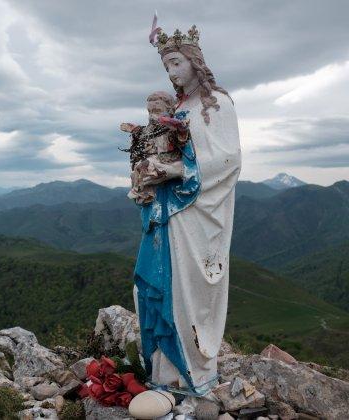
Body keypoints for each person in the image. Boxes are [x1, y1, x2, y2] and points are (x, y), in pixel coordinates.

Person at [132, 24, 242, 402]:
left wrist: (178, 170)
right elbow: (167, 151)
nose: (171, 72)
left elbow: (229, 159)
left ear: (195, 62)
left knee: (188, 292)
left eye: (176, 62)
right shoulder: (177, 108)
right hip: (166, 211)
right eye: (166, 66)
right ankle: (163, 373)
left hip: (196, 213)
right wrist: (148, 171)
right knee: (159, 287)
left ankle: (193, 374)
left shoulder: (217, 104)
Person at [119, 91, 189, 205]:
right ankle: (144, 196)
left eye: (157, 111)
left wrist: (180, 129)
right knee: (136, 174)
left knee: (146, 168)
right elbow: (142, 137)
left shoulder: (170, 128)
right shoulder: (149, 130)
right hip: (152, 163)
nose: (152, 115)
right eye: (150, 111)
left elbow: (181, 139)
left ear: (170, 110)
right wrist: (135, 130)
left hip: (167, 161)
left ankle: (146, 194)